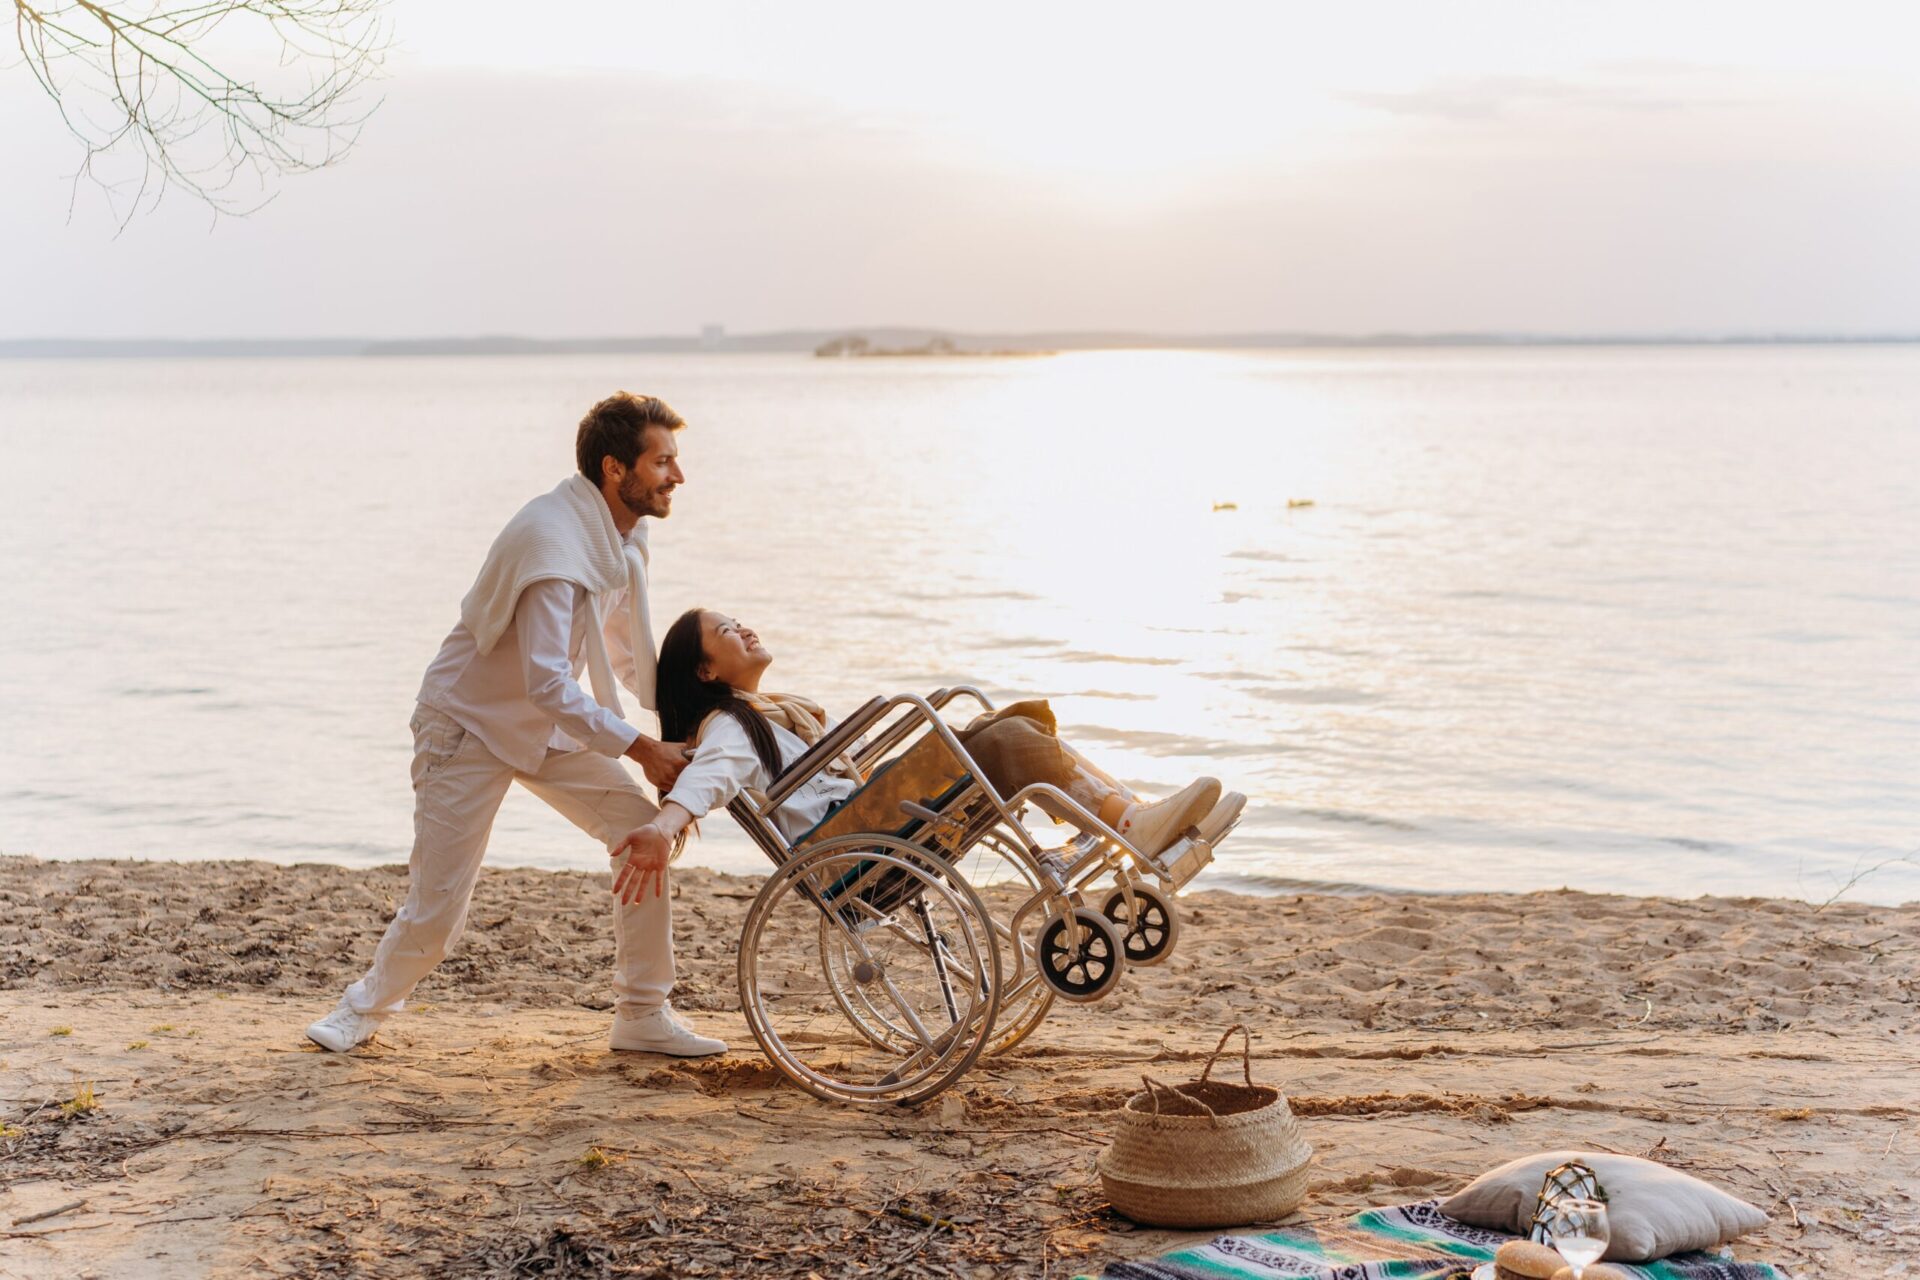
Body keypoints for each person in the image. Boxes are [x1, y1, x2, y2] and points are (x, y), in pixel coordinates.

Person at [305, 392, 726, 1058]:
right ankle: (361, 1008)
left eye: (675, 460)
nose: (678, 476)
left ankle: (642, 1013)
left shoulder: (619, 537)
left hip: (548, 730)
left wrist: (696, 724)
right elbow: (548, 682)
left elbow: (620, 645)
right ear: (616, 470)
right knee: (439, 909)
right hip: (467, 725)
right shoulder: (553, 542)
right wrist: (642, 748)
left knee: (642, 833)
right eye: (663, 462)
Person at [608, 609, 1245, 901]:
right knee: (1008, 739)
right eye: (727, 632)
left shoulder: (767, 714)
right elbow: (710, 779)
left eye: (738, 621)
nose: (745, 629)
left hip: (870, 822)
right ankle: (1135, 827)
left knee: (1012, 723)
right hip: (859, 843)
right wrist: (666, 826)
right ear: (707, 669)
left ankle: (1139, 824)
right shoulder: (730, 725)